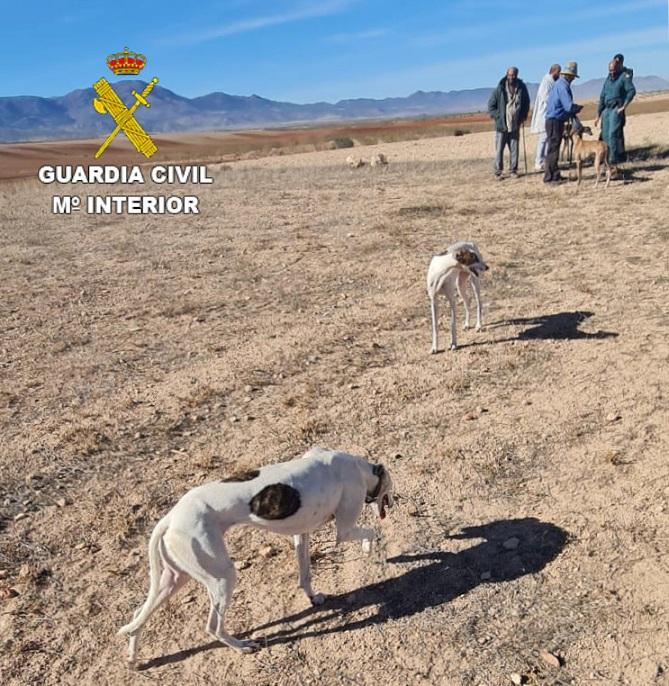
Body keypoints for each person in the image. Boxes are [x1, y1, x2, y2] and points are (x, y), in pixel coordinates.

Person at [487, 66, 530, 179]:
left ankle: (513, 170)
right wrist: (498, 117)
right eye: (510, 75)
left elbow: (526, 103)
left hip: (515, 124)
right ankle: (498, 172)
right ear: (506, 75)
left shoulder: (521, 88)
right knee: (499, 150)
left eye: (514, 75)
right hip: (502, 126)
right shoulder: (499, 89)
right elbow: (491, 106)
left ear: (517, 75)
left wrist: (523, 116)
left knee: (514, 149)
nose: (512, 77)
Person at [543, 61, 583, 184]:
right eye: (573, 77)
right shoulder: (563, 86)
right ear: (570, 76)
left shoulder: (558, 83)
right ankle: (550, 177)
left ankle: (555, 174)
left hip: (553, 119)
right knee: (553, 149)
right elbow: (568, 106)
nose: (573, 80)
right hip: (555, 120)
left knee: (553, 148)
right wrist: (578, 108)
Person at [595, 59, 635, 167]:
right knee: (604, 135)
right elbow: (602, 97)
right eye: (610, 70)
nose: (612, 72)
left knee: (613, 134)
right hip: (606, 111)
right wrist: (598, 115)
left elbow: (631, 91)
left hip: (616, 109)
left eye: (613, 70)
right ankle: (605, 160)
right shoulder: (607, 80)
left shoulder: (623, 78)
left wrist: (624, 106)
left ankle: (613, 161)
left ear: (617, 68)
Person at [530, 64, 561, 171]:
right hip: (545, 113)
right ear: (553, 71)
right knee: (543, 138)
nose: (559, 75)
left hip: (550, 113)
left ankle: (546, 161)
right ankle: (538, 161)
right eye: (558, 72)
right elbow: (545, 97)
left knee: (549, 139)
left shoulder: (552, 81)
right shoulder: (546, 82)